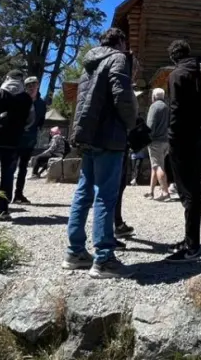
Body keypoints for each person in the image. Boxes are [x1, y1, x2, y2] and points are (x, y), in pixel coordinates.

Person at [63, 28, 139, 278]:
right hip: (109, 135)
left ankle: (75, 252)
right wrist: (132, 123)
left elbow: (84, 101)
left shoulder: (88, 64)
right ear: (120, 41)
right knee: (106, 195)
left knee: (84, 192)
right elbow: (122, 95)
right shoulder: (117, 58)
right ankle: (104, 258)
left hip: (88, 134)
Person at [165, 39, 201, 262]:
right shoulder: (198, 73)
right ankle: (190, 239)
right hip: (198, 135)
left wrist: (171, 134)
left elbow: (175, 108)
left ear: (173, 57)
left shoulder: (176, 75)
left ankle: (192, 247)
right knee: (194, 189)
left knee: (187, 191)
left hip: (182, 136)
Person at [0, 70, 34, 221]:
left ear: (7, 78)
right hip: (13, 143)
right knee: (7, 176)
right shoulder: (27, 99)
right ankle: (2, 210)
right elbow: (30, 120)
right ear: (22, 80)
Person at [13, 76, 46, 205]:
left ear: (38, 86)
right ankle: (6, 195)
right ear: (25, 87)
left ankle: (18, 194)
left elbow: (41, 119)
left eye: (34, 84)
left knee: (23, 168)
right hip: (16, 138)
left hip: (30, 139)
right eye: (29, 85)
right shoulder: (19, 100)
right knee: (11, 167)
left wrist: (38, 129)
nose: (32, 87)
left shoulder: (41, 103)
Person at [146, 88, 171, 201]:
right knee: (155, 165)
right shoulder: (167, 107)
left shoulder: (154, 106)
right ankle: (151, 192)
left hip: (155, 141)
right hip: (166, 141)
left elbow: (150, 125)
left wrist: (146, 139)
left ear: (154, 96)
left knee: (158, 166)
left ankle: (165, 192)